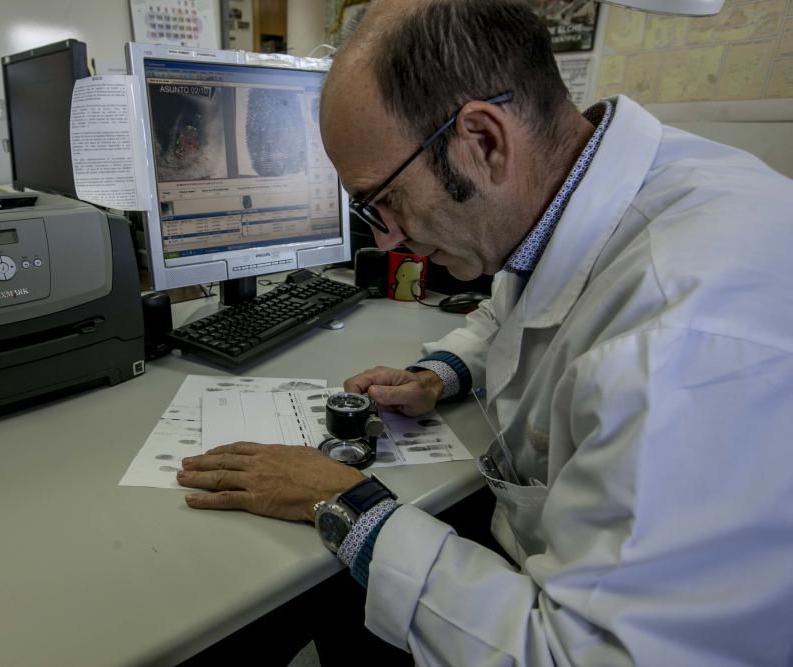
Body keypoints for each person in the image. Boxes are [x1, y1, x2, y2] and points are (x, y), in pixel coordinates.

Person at [177, 0, 793, 664]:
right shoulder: (594, 198)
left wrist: (344, 504)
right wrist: (438, 373)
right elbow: (516, 307)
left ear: (484, 141)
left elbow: (577, 654)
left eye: (383, 200)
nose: (385, 238)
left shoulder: (676, 339)